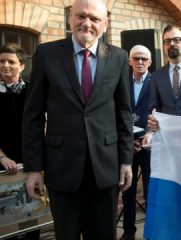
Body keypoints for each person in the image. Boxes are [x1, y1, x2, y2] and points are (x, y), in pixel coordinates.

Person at [21, 0, 133, 239]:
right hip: (62, 168)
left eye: (94, 19)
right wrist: (33, 169)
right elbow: (33, 116)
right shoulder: (47, 54)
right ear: (70, 18)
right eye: (81, 16)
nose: (87, 23)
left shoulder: (120, 58)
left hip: (105, 170)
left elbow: (123, 112)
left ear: (105, 24)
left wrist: (126, 161)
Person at [0, 43, 40, 240]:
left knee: (32, 217)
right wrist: (2, 157)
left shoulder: (33, 92)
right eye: (1, 61)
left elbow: (43, 126)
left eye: (11, 61)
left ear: (22, 66)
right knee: (7, 221)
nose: (5, 65)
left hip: (30, 164)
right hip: (3, 165)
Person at [120, 45, 152, 240]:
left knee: (150, 192)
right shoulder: (121, 81)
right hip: (127, 145)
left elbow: (161, 111)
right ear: (130, 61)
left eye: (143, 59)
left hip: (149, 145)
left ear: (150, 62)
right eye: (136, 58)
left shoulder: (157, 81)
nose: (140, 62)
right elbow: (117, 111)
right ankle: (129, 232)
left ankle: (150, 233)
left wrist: (145, 137)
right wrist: (128, 140)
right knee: (128, 191)